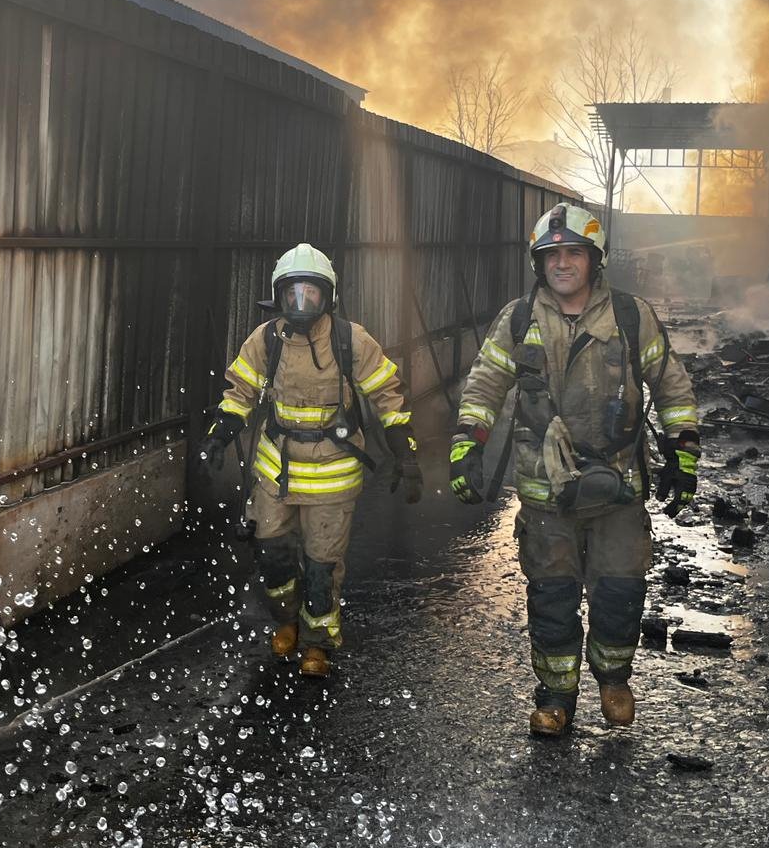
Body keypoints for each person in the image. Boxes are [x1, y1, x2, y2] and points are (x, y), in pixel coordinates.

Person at [449, 205, 699, 735]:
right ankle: (556, 698)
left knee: (618, 592)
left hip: (619, 489)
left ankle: (613, 681)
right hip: (547, 495)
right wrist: (468, 448)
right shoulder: (518, 320)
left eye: (574, 253)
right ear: (540, 264)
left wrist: (684, 452)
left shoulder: (631, 317)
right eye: (552, 255)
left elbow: (672, 385)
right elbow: (484, 387)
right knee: (553, 597)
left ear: (594, 259)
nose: (563, 264)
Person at [198, 243, 422, 677]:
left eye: (311, 293)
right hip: (275, 473)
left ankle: (318, 643)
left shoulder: (351, 341)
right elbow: (238, 396)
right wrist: (217, 439)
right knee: (273, 560)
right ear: (279, 296)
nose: (301, 303)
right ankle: (287, 620)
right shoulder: (265, 340)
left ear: (328, 297)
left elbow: (387, 398)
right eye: (292, 293)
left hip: (332, 477)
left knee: (322, 567)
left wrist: (405, 454)